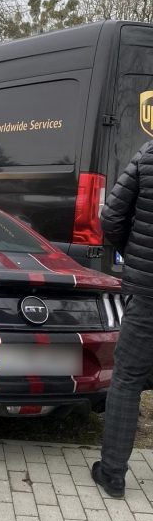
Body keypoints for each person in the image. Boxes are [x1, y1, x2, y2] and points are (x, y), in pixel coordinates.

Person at [96, 141, 153, 498]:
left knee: (128, 379)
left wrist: (133, 256)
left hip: (147, 288)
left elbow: (112, 217)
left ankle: (113, 473)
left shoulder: (148, 154)